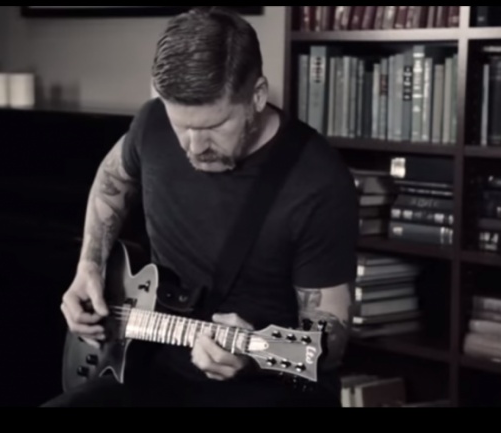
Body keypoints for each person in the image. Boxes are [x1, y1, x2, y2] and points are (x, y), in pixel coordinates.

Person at [43, 6, 359, 407]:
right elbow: (113, 178)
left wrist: (252, 357)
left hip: (265, 387)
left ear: (257, 95)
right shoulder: (153, 123)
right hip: (150, 367)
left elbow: (329, 346)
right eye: (182, 127)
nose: (194, 147)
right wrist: (89, 266)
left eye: (213, 127)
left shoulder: (318, 181)